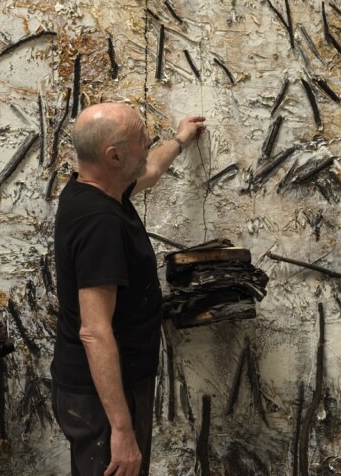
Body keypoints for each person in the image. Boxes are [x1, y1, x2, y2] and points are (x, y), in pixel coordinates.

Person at [51, 102, 206, 476]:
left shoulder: (96, 190)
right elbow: (94, 330)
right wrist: (121, 429)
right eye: (141, 138)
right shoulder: (99, 223)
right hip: (101, 399)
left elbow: (150, 169)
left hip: (107, 388)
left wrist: (181, 140)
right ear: (114, 156)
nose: (149, 140)